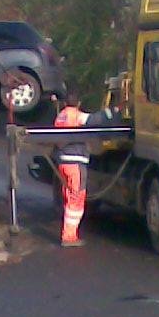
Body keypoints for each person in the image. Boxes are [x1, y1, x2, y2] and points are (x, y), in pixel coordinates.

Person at [54, 92, 90, 247]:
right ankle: (69, 236)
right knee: (76, 198)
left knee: (69, 196)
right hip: (76, 162)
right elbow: (94, 120)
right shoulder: (76, 116)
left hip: (63, 162)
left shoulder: (61, 116)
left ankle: (68, 233)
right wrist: (113, 113)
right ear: (78, 103)